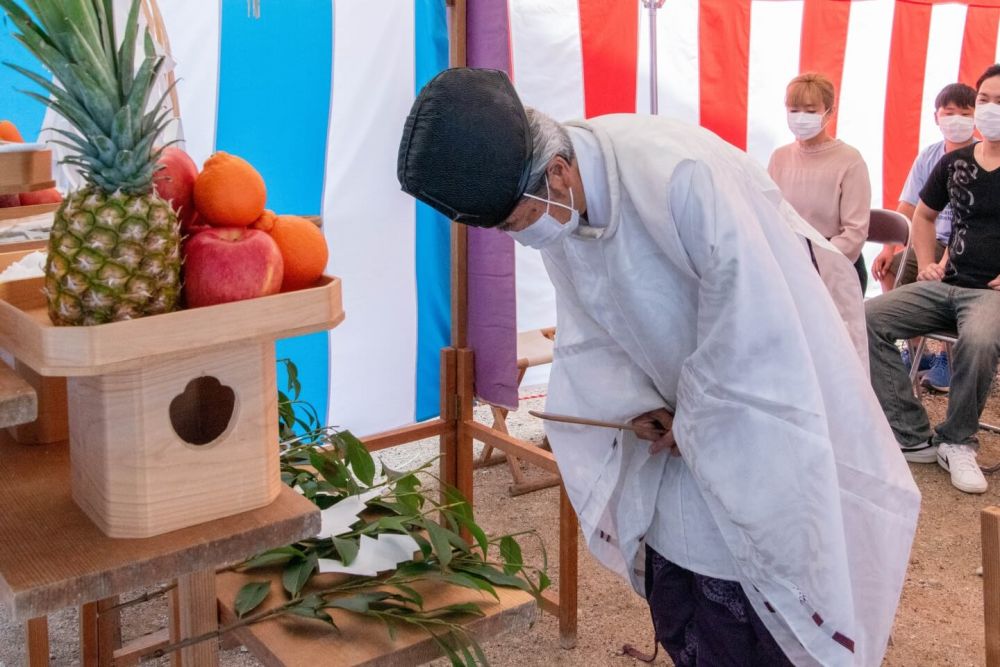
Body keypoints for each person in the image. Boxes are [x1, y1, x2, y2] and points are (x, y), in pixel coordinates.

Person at [397, 68, 919, 666]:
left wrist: (694, 417)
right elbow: (593, 326)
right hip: (671, 419)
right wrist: (631, 404)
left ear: (558, 174)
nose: (523, 237)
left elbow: (751, 319)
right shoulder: (559, 208)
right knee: (684, 574)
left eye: (517, 223)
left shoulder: (677, 176)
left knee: (768, 563)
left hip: (761, 398)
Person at [865, 64, 1000, 495]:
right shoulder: (954, 162)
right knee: (866, 316)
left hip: (988, 296)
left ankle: (958, 441)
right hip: (946, 283)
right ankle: (913, 436)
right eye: (985, 100)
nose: (989, 109)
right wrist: (927, 262)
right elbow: (922, 215)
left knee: (978, 341)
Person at [871, 82, 977, 393]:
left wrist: (941, 262)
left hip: (964, 247)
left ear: (976, 118)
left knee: (942, 282)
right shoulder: (929, 156)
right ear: (936, 117)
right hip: (928, 241)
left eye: (964, 113)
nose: (955, 119)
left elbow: (970, 221)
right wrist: (889, 248)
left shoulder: (982, 158)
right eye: (949, 113)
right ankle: (920, 353)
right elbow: (908, 207)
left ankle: (949, 358)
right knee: (891, 268)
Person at [768, 73, 872, 295]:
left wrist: (816, 260)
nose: (801, 117)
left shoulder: (850, 160)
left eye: (810, 110)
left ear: (829, 112)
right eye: (794, 110)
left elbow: (855, 231)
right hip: (789, 262)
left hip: (835, 266)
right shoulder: (780, 157)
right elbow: (769, 213)